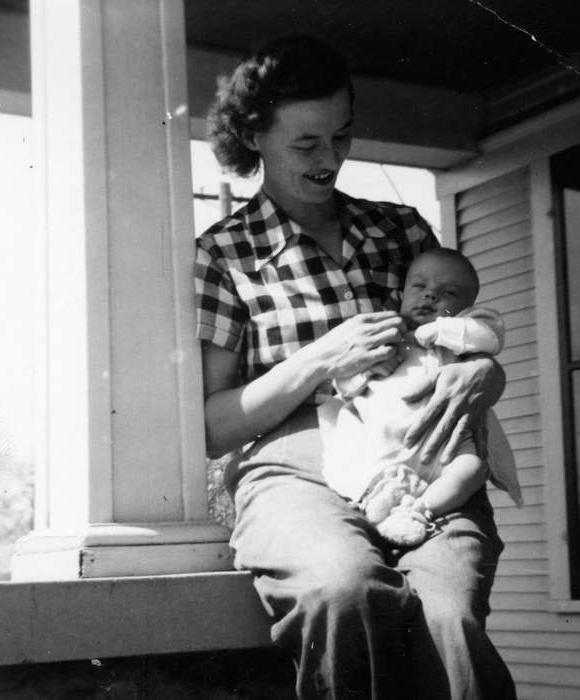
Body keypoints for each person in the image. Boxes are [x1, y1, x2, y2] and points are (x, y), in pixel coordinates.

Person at [196, 34, 517, 700]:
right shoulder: (224, 254)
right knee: (340, 588)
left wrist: (486, 376)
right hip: (295, 464)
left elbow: (467, 345)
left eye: (341, 137)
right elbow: (210, 425)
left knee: (448, 616)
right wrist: (319, 359)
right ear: (254, 136)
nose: (330, 159)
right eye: (306, 143)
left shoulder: (400, 232)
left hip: (420, 458)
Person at [318, 247, 523, 548]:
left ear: (467, 307)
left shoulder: (459, 340)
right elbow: (343, 382)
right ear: (402, 293)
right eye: (420, 286)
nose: (430, 296)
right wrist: (368, 369)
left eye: (448, 293)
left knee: (473, 468)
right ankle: (374, 495)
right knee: (344, 441)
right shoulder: (384, 333)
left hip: (445, 445)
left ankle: (419, 511)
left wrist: (439, 329)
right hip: (380, 439)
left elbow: (489, 335)